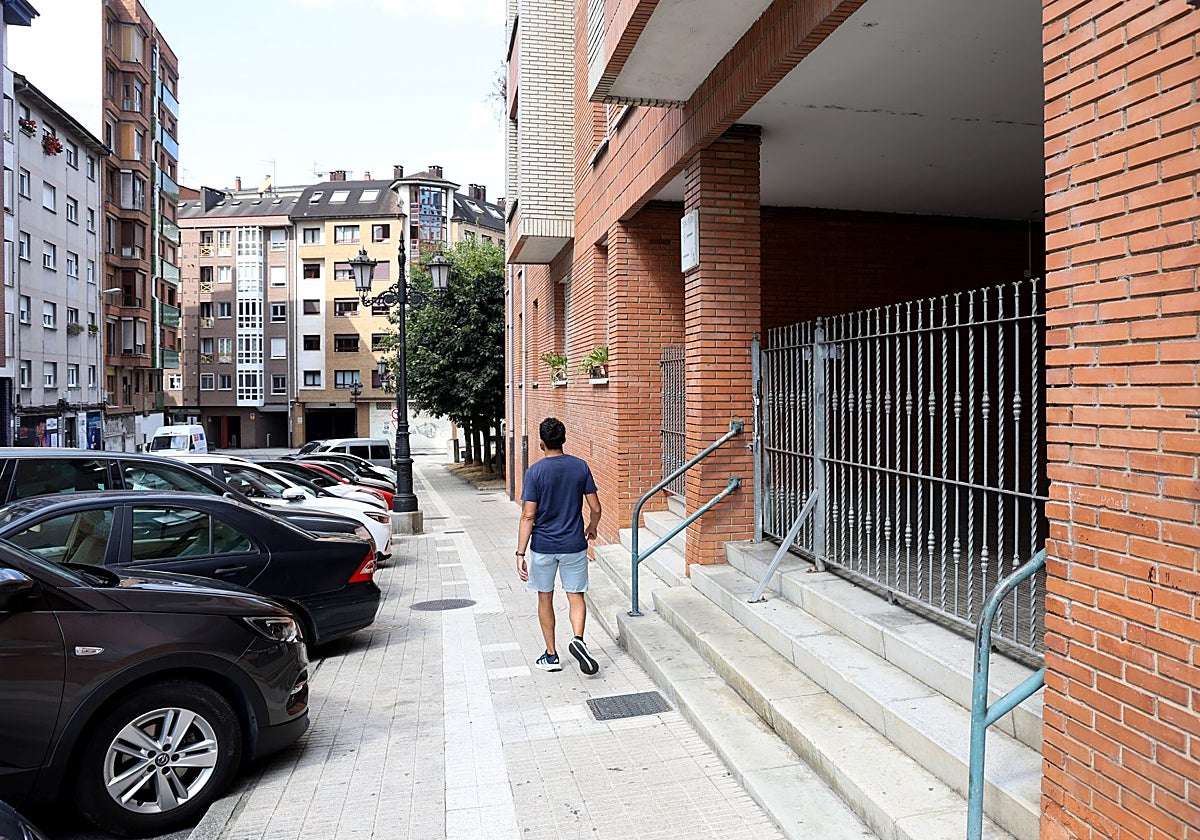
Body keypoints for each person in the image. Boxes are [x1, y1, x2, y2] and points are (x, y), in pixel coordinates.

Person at [516, 417, 603, 674]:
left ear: (541, 443)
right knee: (575, 595)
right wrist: (592, 527)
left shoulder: (535, 472)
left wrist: (520, 552)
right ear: (564, 440)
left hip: (543, 546)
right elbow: (596, 507)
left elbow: (528, 515)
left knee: (545, 597)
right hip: (574, 544)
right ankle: (578, 639)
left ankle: (551, 655)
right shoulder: (580, 467)